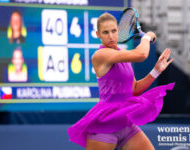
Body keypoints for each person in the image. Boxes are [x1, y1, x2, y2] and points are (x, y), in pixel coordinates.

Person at [68, 13, 174, 150]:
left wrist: (156, 71)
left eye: (113, 31)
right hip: (104, 124)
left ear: (118, 31)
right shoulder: (101, 55)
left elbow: (134, 89)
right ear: (98, 34)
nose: (111, 36)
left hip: (125, 123)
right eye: (105, 32)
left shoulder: (122, 55)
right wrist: (146, 37)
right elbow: (141, 54)